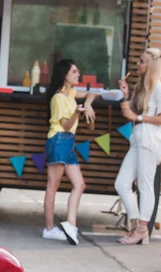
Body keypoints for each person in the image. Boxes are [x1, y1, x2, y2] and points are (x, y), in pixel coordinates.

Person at [115, 48, 161, 245]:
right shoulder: (141, 87)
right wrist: (125, 95)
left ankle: (140, 229)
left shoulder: (158, 88)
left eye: (142, 61)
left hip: (150, 141)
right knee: (121, 183)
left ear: (151, 65)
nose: (138, 64)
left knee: (146, 186)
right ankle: (137, 225)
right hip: (138, 140)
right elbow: (128, 112)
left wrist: (137, 117)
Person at [43, 59, 96, 245]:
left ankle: (71, 225)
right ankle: (48, 229)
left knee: (79, 184)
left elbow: (91, 93)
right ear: (65, 75)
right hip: (59, 140)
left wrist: (87, 105)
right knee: (53, 186)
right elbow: (65, 126)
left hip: (68, 143)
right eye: (74, 72)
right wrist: (77, 112)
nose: (77, 75)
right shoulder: (58, 98)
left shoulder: (71, 93)